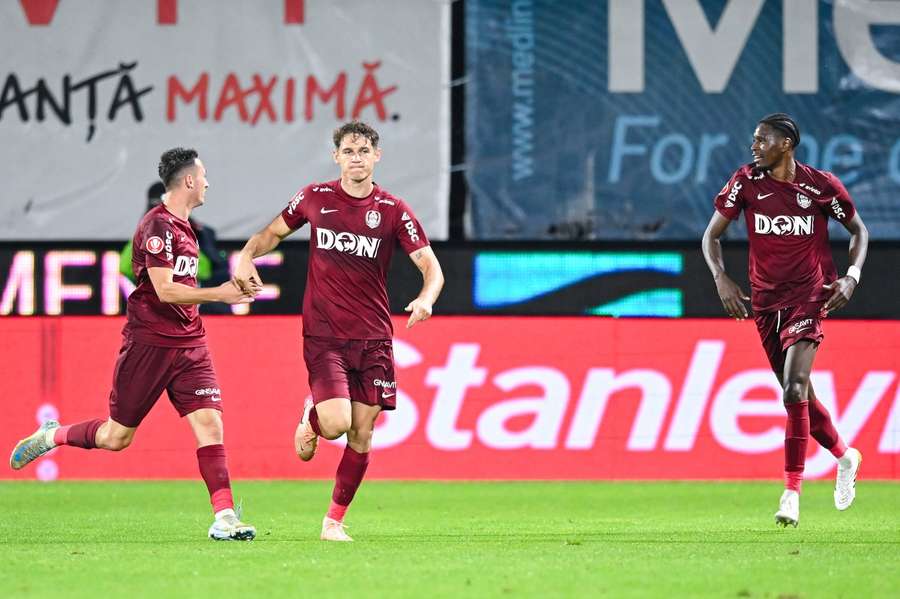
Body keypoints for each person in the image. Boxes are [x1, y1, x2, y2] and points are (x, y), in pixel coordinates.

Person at [10, 148, 260, 541]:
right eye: (204, 176)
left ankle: (225, 517)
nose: (208, 183)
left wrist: (228, 290)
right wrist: (221, 294)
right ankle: (52, 435)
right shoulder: (157, 226)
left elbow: (182, 289)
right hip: (149, 343)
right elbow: (164, 291)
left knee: (211, 424)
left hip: (190, 343)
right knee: (117, 437)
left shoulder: (187, 228)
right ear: (189, 181)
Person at [232, 121, 444, 542]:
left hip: (374, 337)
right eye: (349, 151)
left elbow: (430, 266)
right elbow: (271, 232)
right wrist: (245, 256)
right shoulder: (315, 197)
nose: (356, 158)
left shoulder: (393, 209)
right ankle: (312, 418)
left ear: (377, 156)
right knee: (335, 424)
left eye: (364, 151)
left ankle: (333, 521)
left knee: (362, 434)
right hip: (325, 334)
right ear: (336, 157)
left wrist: (426, 298)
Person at [701, 113, 869, 527]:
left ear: (786, 144)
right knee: (801, 396)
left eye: (762, 140)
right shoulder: (745, 182)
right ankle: (845, 456)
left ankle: (791, 492)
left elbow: (858, 231)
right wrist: (721, 277)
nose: (754, 146)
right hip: (765, 302)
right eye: (754, 140)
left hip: (810, 297)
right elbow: (711, 236)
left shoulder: (820, 186)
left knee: (794, 388)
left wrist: (851, 277)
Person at [121, 182, 231, 314]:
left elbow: (205, 270)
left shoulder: (196, 232)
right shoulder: (144, 233)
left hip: (192, 307)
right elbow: (125, 267)